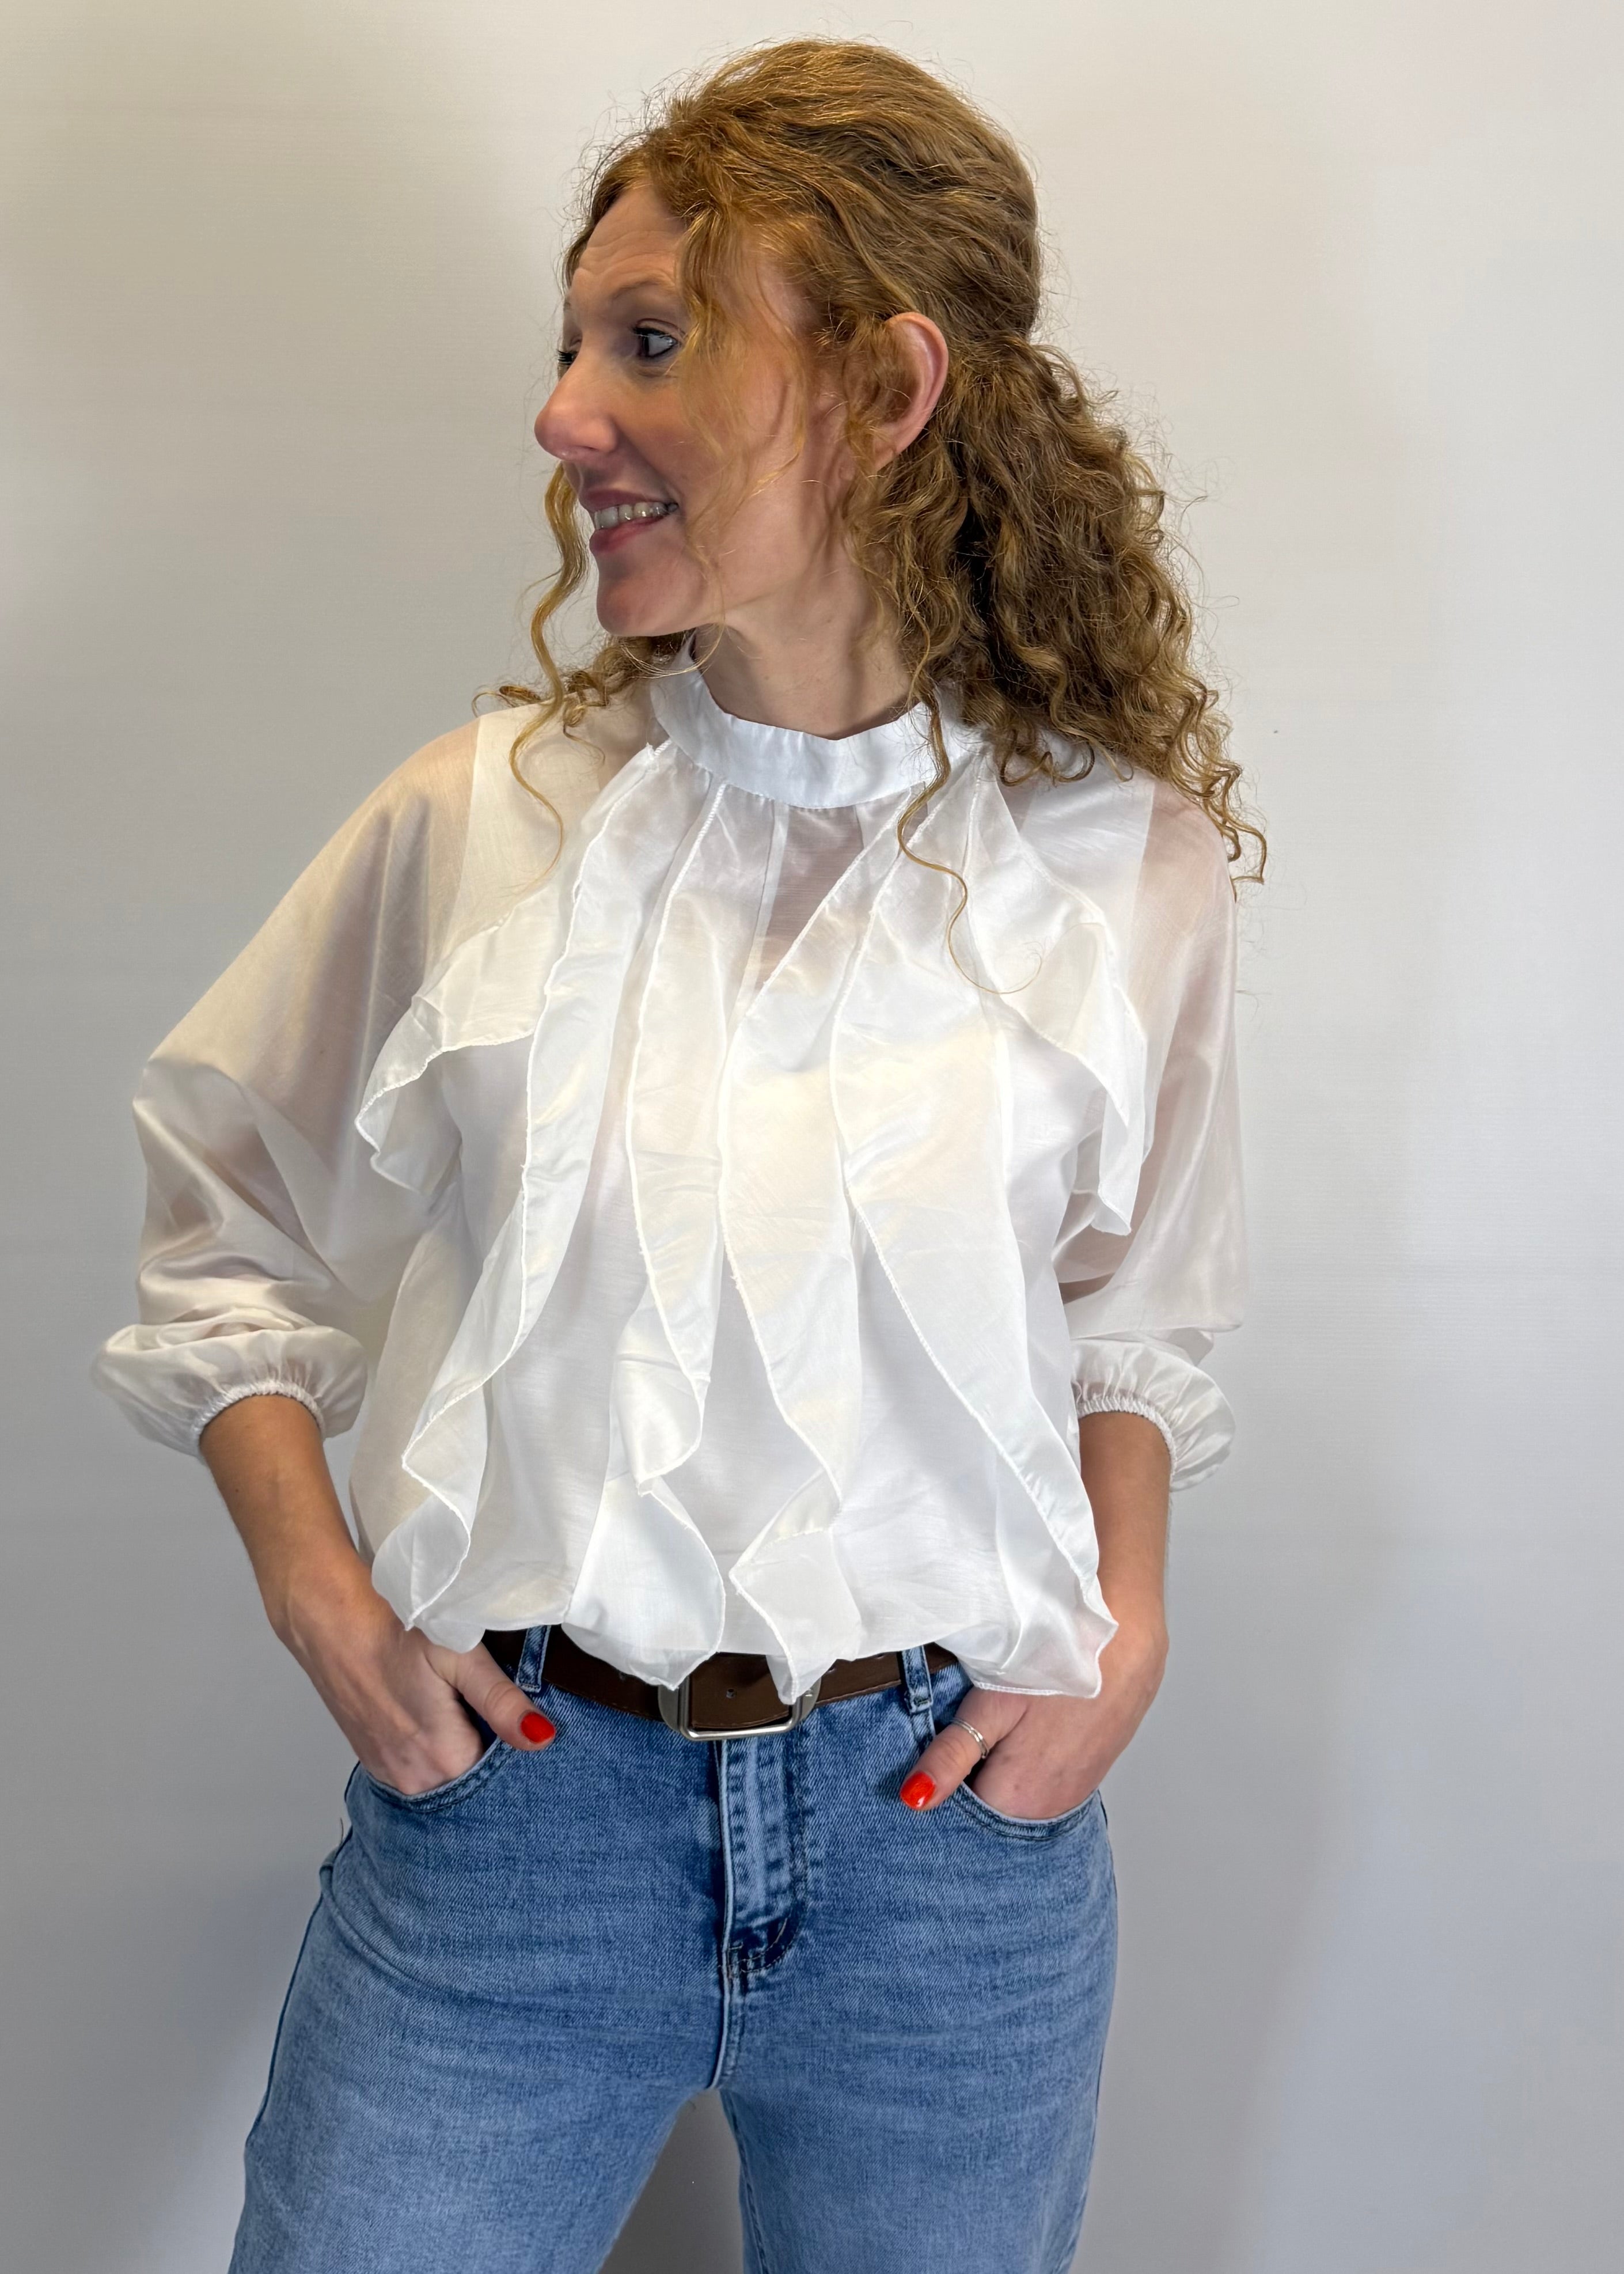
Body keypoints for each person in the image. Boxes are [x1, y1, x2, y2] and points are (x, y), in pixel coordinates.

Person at [95, 37, 1255, 2274]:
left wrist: (1126, 1628)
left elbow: (1141, 1312)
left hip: (954, 1852)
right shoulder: (485, 821)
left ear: (886, 386)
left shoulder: (1128, 871)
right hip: (513, 1827)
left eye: (649, 341)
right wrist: (321, 1597)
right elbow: (218, 1214)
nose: (560, 417)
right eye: (570, 345)